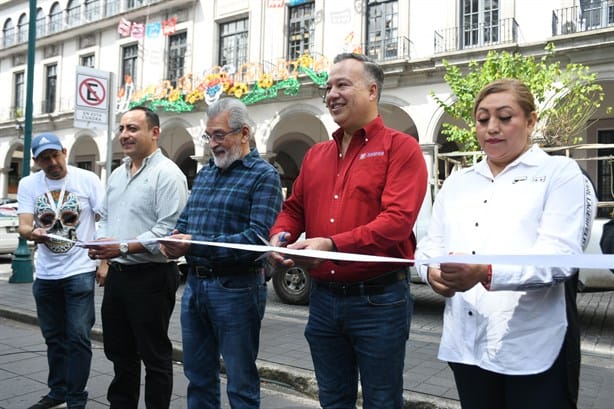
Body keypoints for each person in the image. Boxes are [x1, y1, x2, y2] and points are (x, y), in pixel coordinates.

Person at [415, 78, 596, 409]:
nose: (492, 128)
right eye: (483, 119)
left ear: (531, 120)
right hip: (467, 345)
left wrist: (487, 272)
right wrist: (431, 273)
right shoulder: (458, 182)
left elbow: (559, 258)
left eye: (505, 117)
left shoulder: (560, 174)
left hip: (533, 346)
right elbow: (429, 245)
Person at [269, 53, 428, 408]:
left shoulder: (401, 149)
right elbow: (293, 209)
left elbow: (396, 222)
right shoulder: (316, 155)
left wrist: (331, 244)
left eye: (342, 84)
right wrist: (280, 235)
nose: (331, 94)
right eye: (328, 87)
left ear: (373, 91)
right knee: (332, 398)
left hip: (379, 300)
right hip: (324, 299)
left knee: (382, 400)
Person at [159, 97, 283, 409]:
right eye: (209, 136)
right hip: (195, 287)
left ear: (244, 134)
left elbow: (256, 239)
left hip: (237, 289)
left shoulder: (263, 175)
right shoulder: (205, 174)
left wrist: (193, 243)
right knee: (198, 376)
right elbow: (186, 222)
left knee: (240, 382)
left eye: (219, 135)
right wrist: (173, 240)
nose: (212, 144)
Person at [86, 106, 188, 409]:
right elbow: (104, 216)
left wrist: (121, 247)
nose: (125, 135)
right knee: (120, 353)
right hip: (118, 276)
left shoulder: (168, 175)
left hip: (151, 278)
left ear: (154, 132)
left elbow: (167, 231)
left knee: (155, 356)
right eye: (122, 128)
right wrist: (104, 245)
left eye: (133, 128)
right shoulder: (117, 174)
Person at [17, 133, 104, 409]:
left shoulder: (87, 179)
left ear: (64, 151)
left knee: (78, 337)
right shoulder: (29, 184)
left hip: (79, 271)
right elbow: (23, 225)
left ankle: (76, 398)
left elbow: (108, 218)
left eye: (55, 155)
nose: (52, 162)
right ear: (36, 161)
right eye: (45, 158)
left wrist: (105, 262)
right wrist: (34, 233)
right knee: (53, 338)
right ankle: (58, 391)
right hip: (45, 275)